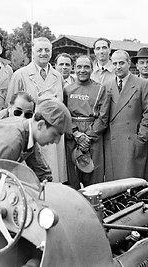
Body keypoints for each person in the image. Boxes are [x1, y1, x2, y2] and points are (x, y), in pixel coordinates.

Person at [6, 37, 67, 183]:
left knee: (53, 177)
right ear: (32, 52)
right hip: (31, 133)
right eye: (39, 50)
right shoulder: (20, 75)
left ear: (51, 52)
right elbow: (10, 108)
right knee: (33, 179)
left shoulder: (58, 76)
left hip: (53, 134)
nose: (43, 53)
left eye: (47, 50)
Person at [0, 91, 52, 182]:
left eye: (28, 115)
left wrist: (47, 184)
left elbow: (38, 165)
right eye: (18, 112)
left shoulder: (27, 132)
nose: (22, 118)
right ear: (9, 107)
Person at [103, 50, 148, 181]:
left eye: (121, 63)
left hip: (132, 142)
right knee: (114, 187)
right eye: (114, 63)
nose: (118, 66)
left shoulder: (143, 84)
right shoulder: (107, 86)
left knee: (133, 185)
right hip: (112, 144)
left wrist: (141, 138)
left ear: (129, 63)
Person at [64, 55, 110, 189]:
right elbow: (64, 114)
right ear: (74, 68)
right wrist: (76, 134)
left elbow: (103, 117)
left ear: (92, 68)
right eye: (79, 67)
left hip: (93, 136)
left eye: (86, 67)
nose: (82, 70)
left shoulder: (100, 89)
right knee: (72, 177)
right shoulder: (67, 90)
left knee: (94, 178)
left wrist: (87, 136)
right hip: (72, 135)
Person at [131, 47, 148, 182]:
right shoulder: (132, 84)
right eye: (141, 62)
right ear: (136, 65)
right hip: (139, 132)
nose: (145, 65)